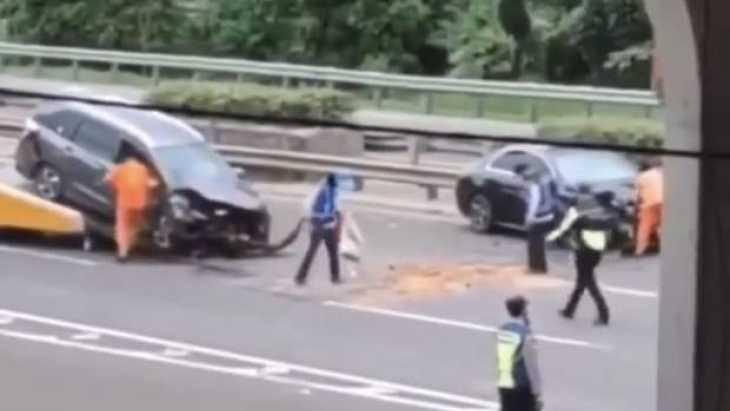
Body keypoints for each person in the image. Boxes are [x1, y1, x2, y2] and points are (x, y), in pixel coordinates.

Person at [547, 189, 618, 326]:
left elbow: (563, 230)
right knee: (582, 281)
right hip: (598, 251)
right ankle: (569, 310)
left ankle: (604, 313)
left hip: (584, 251)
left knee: (589, 282)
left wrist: (550, 238)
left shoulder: (578, 213)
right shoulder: (605, 212)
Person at [105, 156, 159, 262]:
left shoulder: (120, 168)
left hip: (124, 202)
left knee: (122, 227)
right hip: (139, 203)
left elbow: (108, 179)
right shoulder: (143, 169)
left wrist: (114, 187)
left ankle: (122, 252)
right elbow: (152, 184)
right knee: (133, 226)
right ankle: (129, 246)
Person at [497, 296, 543, 411]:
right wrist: (537, 391)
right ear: (523, 312)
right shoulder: (526, 335)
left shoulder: (503, 329)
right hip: (522, 386)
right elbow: (531, 365)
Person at [296, 173, 341, 286]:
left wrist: (309, 218)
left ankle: (300, 276)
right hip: (327, 227)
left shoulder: (317, 191)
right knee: (333, 253)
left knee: (311, 252)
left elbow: (306, 204)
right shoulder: (333, 193)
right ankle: (335, 277)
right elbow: (335, 210)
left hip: (316, 226)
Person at [516, 166, 557, 274]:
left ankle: (535, 267)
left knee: (534, 243)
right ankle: (541, 267)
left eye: (519, 177)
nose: (520, 180)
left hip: (540, 216)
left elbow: (534, 202)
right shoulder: (543, 178)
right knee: (539, 242)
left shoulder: (533, 183)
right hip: (549, 214)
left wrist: (529, 219)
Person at [634, 157, 664, 256]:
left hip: (649, 204)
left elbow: (636, 196)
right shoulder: (659, 173)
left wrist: (636, 204)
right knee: (662, 225)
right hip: (663, 201)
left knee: (644, 227)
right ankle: (665, 246)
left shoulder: (640, 177)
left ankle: (640, 250)